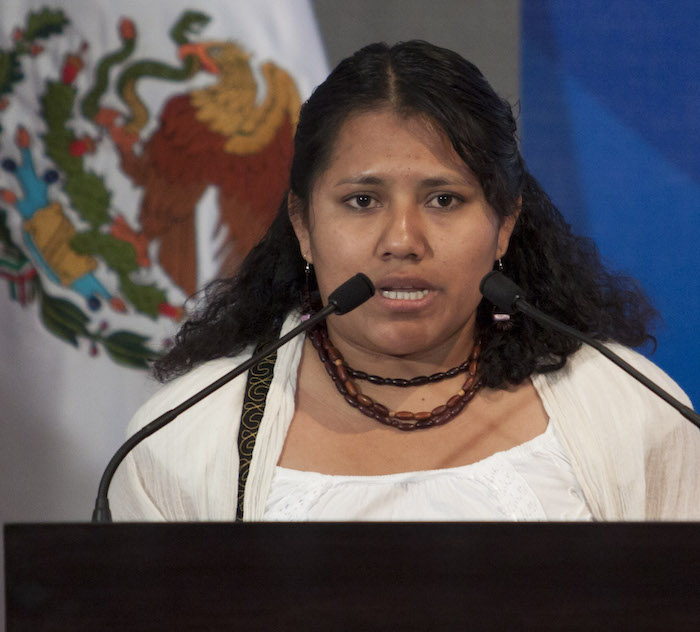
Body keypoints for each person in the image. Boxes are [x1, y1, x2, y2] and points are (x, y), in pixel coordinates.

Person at [111, 40, 700, 522]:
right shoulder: (183, 439)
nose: (402, 239)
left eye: (444, 199)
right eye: (362, 200)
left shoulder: (633, 411)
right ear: (304, 225)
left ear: (504, 226)